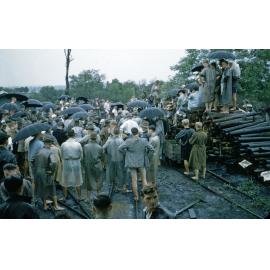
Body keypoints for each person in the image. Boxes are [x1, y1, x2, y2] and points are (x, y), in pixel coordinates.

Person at [119, 127, 154, 201]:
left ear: (131, 133)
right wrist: (147, 156)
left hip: (131, 163)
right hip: (141, 162)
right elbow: (152, 149)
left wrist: (126, 154)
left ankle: (136, 197)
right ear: (138, 132)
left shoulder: (128, 141)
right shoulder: (144, 141)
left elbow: (120, 148)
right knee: (144, 180)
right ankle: (146, 195)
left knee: (134, 180)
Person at [32, 134, 63, 210]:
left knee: (43, 188)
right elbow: (54, 163)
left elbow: (32, 160)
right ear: (50, 143)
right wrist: (51, 171)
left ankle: (45, 205)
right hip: (46, 172)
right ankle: (56, 206)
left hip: (38, 172)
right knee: (52, 188)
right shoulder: (50, 152)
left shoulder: (39, 151)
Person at [60, 129, 83, 200]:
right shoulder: (78, 144)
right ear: (74, 135)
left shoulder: (63, 144)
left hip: (66, 163)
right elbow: (81, 156)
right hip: (76, 162)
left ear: (67, 135)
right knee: (77, 179)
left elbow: (61, 155)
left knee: (65, 179)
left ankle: (64, 196)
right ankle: (79, 197)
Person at [83, 132, 104, 201]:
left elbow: (83, 157)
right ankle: (98, 196)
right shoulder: (100, 147)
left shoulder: (85, 146)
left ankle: (88, 197)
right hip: (97, 165)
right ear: (96, 138)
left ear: (90, 138)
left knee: (88, 180)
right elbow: (102, 158)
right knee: (98, 180)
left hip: (88, 165)